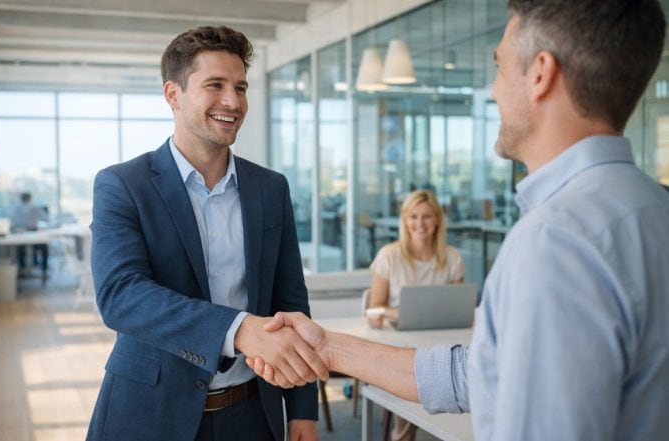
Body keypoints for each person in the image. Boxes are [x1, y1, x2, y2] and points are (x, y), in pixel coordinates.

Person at [248, 1, 669, 440]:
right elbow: (480, 373)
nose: (493, 91)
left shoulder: (556, 239)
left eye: (499, 67)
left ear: (541, 74)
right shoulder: (652, 207)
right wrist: (330, 347)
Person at [86, 26, 327, 441]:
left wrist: (303, 408)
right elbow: (121, 296)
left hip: (253, 413)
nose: (232, 102)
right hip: (150, 415)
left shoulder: (271, 189)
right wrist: (238, 329)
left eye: (240, 87)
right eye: (214, 85)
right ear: (173, 95)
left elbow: (291, 303)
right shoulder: (123, 184)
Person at [366, 190, 464, 441]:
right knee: (413, 384)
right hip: (402, 344)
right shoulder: (389, 255)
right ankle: (403, 433)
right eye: (413, 217)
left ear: (438, 220)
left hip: (441, 341)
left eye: (427, 217)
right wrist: (398, 313)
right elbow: (374, 308)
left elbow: (458, 307)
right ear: (405, 220)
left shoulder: (452, 258)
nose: (419, 224)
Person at [11, 192, 49, 276]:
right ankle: (44, 269)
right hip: (33, 233)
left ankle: (22, 267)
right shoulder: (35, 207)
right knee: (44, 247)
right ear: (30, 198)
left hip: (21, 233)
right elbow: (45, 218)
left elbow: (13, 220)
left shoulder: (17, 208)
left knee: (20, 248)